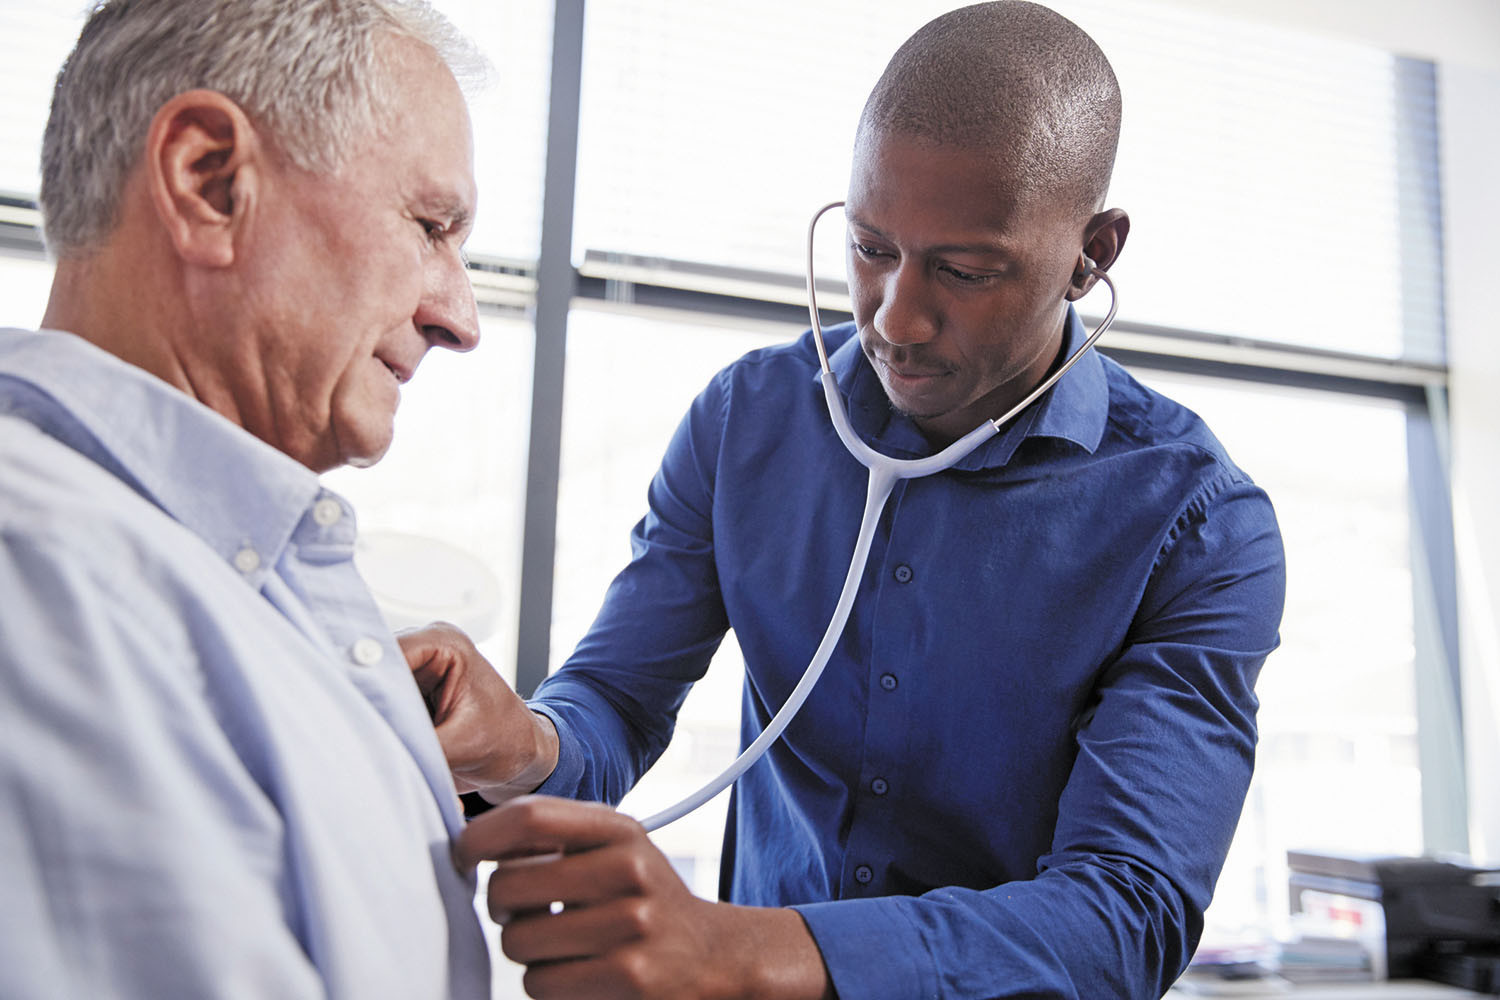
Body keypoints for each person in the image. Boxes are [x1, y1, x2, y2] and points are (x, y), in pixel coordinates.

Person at [405, 3, 1288, 998]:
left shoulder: (1201, 526)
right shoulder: (750, 419)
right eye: (872, 248)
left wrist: (740, 949)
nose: (897, 317)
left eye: (964, 269)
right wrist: (520, 739)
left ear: (1094, 252)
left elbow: (1127, 913)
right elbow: (612, 707)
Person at [0, 1, 492, 997]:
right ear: (208, 183)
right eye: (430, 226)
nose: (460, 317)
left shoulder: (220, 573)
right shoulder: (42, 581)